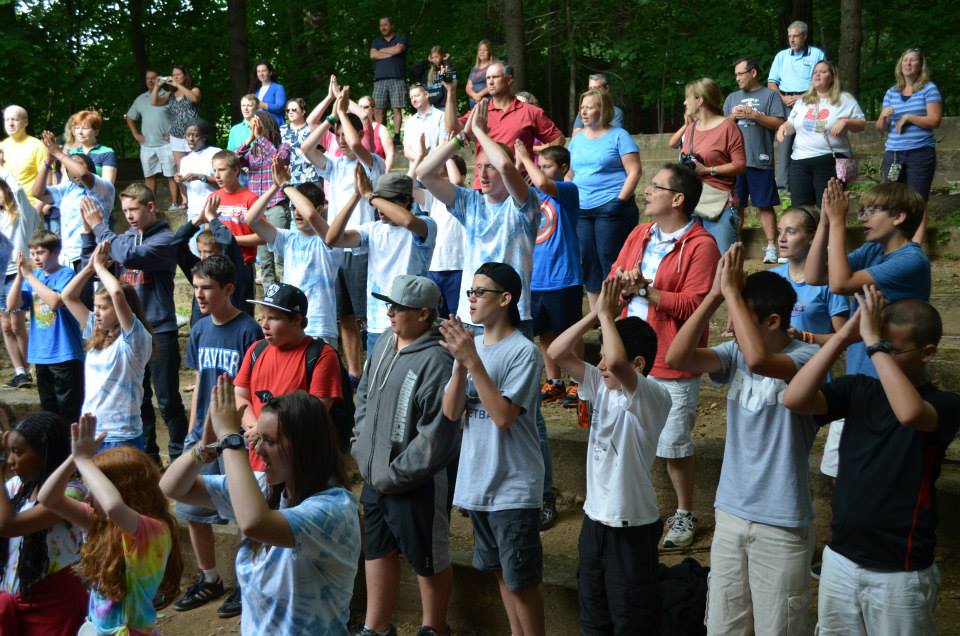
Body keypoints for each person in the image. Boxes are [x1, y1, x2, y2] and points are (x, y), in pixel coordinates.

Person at [784, 290, 959, 635]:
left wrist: (875, 344)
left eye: (893, 349)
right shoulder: (859, 390)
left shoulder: (946, 403)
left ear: (928, 354)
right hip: (841, 557)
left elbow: (909, 414)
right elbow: (796, 398)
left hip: (900, 570)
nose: (879, 353)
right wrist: (844, 338)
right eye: (878, 346)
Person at [417, 102, 558, 529]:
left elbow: (509, 170)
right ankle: (478, 488)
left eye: (489, 168)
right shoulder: (469, 203)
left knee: (522, 411)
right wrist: (460, 137)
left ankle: (542, 492)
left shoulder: (524, 205)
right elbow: (423, 174)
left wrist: (482, 134)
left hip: (515, 316)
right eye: (478, 168)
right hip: (470, 317)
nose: (483, 173)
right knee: (467, 404)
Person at [667, 246, 819, 635]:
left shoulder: (807, 358)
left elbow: (759, 363)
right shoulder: (733, 353)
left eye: (739, 315)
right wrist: (717, 295)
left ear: (772, 321)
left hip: (781, 522)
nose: (731, 324)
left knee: (778, 628)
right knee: (722, 627)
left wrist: (733, 293)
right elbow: (678, 356)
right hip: (732, 511)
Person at [161, 377, 360, 635]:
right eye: (257, 438)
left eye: (270, 441)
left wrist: (232, 439)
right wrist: (207, 447)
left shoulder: (334, 510)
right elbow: (173, 487)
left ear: (305, 447)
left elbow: (255, 523)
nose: (257, 449)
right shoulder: (264, 489)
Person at [547, 277, 670, 635]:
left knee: (630, 619)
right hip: (595, 521)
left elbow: (616, 360)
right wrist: (596, 315)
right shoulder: (599, 385)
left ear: (640, 364)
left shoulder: (653, 397)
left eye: (605, 356)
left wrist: (607, 317)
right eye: (598, 356)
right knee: (593, 613)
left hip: (630, 526)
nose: (600, 364)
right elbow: (556, 353)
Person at [608, 163, 720, 549]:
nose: (646, 192)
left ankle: (685, 512)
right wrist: (624, 288)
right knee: (627, 434)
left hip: (672, 358)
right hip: (629, 354)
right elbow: (615, 275)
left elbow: (694, 304)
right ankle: (630, 507)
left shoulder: (702, 245)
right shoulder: (640, 233)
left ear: (677, 198)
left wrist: (643, 291)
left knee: (673, 444)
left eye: (655, 187)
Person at [440, 262, 545, 636]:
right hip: (479, 483)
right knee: (503, 574)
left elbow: (502, 415)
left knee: (521, 581)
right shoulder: (473, 346)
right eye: (469, 292)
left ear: (505, 299)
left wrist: (472, 361)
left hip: (513, 486)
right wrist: (460, 364)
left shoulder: (523, 351)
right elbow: (452, 412)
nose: (471, 299)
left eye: (479, 292)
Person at [352, 275, 456, 636]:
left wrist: (399, 472)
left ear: (424, 314)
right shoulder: (383, 341)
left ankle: (432, 627)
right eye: (389, 304)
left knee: (428, 557)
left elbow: (437, 431)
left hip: (417, 481)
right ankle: (376, 627)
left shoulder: (439, 359)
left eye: (398, 307)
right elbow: (364, 396)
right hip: (374, 471)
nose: (390, 312)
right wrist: (360, 444)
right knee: (377, 548)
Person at [173, 256, 262, 618]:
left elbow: (253, 388)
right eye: (195, 288)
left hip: (236, 437)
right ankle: (209, 577)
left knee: (245, 514)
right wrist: (194, 431)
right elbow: (198, 385)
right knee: (192, 508)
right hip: (204, 436)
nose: (199, 295)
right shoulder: (198, 329)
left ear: (228, 288)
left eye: (206, 288)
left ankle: (246, 583)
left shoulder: (248, 330)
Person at [38, 415, 182, 635]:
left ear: (125, 491)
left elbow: (113, 506)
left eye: (93, 491)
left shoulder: (153, 530)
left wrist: (86, 461)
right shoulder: (101, 522)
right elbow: (48, 498)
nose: (87, 499)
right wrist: (75, 459)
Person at [82, 183, 188, 462]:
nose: (128, 215)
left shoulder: (166, 239)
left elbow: (129, 257)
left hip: (159, 328)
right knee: (139, 400)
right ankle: (148, 458)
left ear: (150, 207)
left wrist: (100, 228)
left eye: (134, 209)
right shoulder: (123, 239)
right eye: (125, 209)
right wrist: (88, 234)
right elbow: (95, 266)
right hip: (125, 334)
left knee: (166, 399)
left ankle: (179, 457)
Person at [301, 87, 386, 367]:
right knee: (345, 315)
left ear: (360, 134)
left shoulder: (373, 163)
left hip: (362, 245)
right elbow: (305, 148)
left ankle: (374, 367)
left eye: (345, 135)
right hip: (336, 245)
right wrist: (331, 118)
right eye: (337, 137)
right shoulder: (334, 165)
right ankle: (353, 371)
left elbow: (356, 142)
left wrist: (342, 111)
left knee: (367, 315)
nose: (343, 141)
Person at [326, 169, 436, 351]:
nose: (379, 207)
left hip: (412, 322)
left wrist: (370, 195)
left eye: (387, 201)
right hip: (377, 323)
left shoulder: (426, 224)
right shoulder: (373, 229)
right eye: (379, 200)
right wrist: (355, 196)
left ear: (406, 200)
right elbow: (332, 239)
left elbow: (408, 221)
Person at [0, 411, 88, 635]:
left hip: (55, 603)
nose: (10, 461)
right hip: (13, 596)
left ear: (44, 454)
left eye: (18, 452)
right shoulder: (15, 489)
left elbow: (9, 526)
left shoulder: (72, 493)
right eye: (7, 452)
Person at [62, 243, 153, 449]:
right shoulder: (97, 331)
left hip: (121, 435)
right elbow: (68, 296)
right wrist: (89, 268)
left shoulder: (135, 340)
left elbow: (117, 294)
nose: (97, 313)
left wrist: (102, 268)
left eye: (103, 308)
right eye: (95, 307)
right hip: (91, 434)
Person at [245, 158, 344, 348]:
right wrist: (275, 187)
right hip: (290, 326)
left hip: (320, 326)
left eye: (300, 208)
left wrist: (286, 185)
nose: (297, 213)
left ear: (320, 207)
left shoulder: (330, 239)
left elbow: (311, 215)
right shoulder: (287, 238)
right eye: (293, 208)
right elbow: (252, 219)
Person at [515, 143, 583, 408]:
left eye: (547, 166)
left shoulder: (567, 191)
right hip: (536, 277)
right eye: (539, 165)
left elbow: (543, 183)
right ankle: (554, 381)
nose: (540, 171)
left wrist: (525, 156)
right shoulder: (532, 194)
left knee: (571, 333)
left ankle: (579, 382)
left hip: (564, 277)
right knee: (545, 332)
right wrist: (520, 165)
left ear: (564, 168)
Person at [568, 88, 641, 310]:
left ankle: (619, 312)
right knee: (587, 260)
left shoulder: (619, 136)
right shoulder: (577, 139)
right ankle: (597, 313)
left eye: (590, 107)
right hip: (581, 208)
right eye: (582, 107)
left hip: (612, 208)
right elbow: (570, 173)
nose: (584, 111)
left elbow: (635, 172)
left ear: (604, 109)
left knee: (610, 259)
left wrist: (618, 202)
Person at [444, 61, 564, 188]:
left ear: (509, 80)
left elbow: (558, 139)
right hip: (484, 185)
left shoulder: (530, 111)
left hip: (517, 185)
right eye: (488, 78)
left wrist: (538, 169)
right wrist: (451, 91)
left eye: (495, 77)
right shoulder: (480, 111)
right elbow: (452, 128)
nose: (490, 82)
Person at [6, 232, 84, 422]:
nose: (35, 258)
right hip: (41, 354)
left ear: (56, 252)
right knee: (49, 411)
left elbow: (55, 301)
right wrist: (19, 277)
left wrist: (30, 276)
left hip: (65, 353)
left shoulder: (66, 274)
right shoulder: (34, 276)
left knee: (68, 412)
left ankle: (71, 449)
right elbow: (11, 305)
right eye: (32, 253)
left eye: (40, 253)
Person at [775, 61, 865, 207]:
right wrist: (783, 128)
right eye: (815, 72)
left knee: (827, 208)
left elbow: (861, 124)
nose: (817, 74)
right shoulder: (803, 101)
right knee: (801, 208)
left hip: (829, 160)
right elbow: (792, 124)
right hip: (800, 160)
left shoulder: (844, 99)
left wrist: (846, 122)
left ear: (832, 77)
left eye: (823, 72)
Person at [723, 58, 787, 263]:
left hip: (760, 159)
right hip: (734, 163)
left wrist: (755, 116)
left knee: (765, 205)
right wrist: (733, 118)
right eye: (735, 74)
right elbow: (722, 127)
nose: (737, 78)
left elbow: (779, 122)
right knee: (736, 206)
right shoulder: (732, 98)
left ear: (753, 73)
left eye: (741, 73)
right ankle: (736, 246)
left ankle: (771, 247)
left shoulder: (770, 96)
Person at [876, 48, 943, 243]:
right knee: (890, 198)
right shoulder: (891, 92)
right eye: (905, 60)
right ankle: (893, 242)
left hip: (919, 152)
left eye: (913, 61)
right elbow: (881, 127)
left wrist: (909, 117)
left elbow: (935, 120)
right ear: (900, 65)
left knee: (918, 200)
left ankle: (916, 247)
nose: (908, 64)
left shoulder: (928, 89)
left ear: (920, 66)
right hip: (894, 154)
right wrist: (884, 117)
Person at [673, 77, 746, 255]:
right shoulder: (691, 129)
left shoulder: (728, 127)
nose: (684, 102)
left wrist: (707, 170)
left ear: (700, 100)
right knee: (695, 263)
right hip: (692, 204)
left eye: (687, 97)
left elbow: (740, 165)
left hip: (720, 207)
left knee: (723, 262)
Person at [30, 132, 115, 270]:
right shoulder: (67, 189)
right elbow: (37, 193)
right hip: (68, 256)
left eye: (78, 164)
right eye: (69, 167)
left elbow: (82, 174)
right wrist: (48, 161)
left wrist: (58, 153)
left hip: (96, 254)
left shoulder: (102, 185)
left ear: (89, 167)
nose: (73, 169)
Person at [771, 207, 848, 346]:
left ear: (812, 237)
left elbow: (844, 338)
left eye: (791, 232)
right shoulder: (772, 277)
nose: (781, 239)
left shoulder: (830, 281)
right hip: (775, 364)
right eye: (779, 231)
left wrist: (805, 337)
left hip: (813, 364)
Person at [768, 21, 826, 191]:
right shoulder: (782, 56)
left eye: (795, 36)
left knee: (813, 138)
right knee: (785, 140)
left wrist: (801, 97)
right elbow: (772, 82)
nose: (791, 40)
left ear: (804, 36)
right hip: (785, 101)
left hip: (810, 100)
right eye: (789, 36)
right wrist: (783, 98)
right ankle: (783, 184)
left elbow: (823, 80)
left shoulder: (816, 54)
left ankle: (814, 182)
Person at [236, 111, 291, 288]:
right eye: (251, 126)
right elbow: (233, 161)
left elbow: (278, 160)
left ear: (266, 125)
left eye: (256, 125)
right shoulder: (252, 149)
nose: (253, 128)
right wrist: (250, 139)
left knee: (280, 257)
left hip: (275, 205)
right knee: (265, 261)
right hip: (256, 209)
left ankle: (286, 300)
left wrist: (260, 138)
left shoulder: (283, 146)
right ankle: (270, 302)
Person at [209, 149, 264, 306]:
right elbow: (208, 234)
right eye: (214, 171)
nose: (217, 175)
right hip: (217, 266)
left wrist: (231, 240)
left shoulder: (251, 198)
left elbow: (262, 237)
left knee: (242, 312)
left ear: (235, 170)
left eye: (222, 170)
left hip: (242, 265)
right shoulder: (213, 198)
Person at [0, 175, 39, 389]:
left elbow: (20, 191)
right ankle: (20, 371)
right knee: (5, 326)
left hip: (17, 274)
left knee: (16, 324)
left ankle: (30, 368)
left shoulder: (23, 213)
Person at [125, 69, 179, 206]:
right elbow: (130, 117)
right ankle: (150, 206)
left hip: (167, 144)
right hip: (147, 145)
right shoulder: (140, 99)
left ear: (159, 79)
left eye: (153, 78)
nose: (150, 81)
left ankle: (174, 204)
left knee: (171, 175)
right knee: (149, 177)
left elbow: (179, 116)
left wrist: (174, 133)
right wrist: (135, 134)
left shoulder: (168, 95)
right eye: (147, 78)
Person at [151, 65, 202, 205]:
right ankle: (185, 198)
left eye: (178, 74)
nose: (175, 77)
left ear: (185, 76)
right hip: (176, 135)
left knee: (195, 165)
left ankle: (197, 196)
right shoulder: (170, 95)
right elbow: (154, 102)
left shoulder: (193, 90)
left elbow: (194, 99)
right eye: (173, 75)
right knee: (180, 168)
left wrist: (179, 86)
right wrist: (157, 86)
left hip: (193, 135)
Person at [370, 16, 410, 142]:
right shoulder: (376, 41)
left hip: (397, 78)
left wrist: (381, 52)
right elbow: (372, 54)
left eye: (385, 24)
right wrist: (391, 52)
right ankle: (380, 135)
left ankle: (397, 136)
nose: (383, 27)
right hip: (379, 80)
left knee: (396, 108)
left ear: (392, 25)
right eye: (381, 25)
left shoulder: (401, 38)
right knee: (377, 109)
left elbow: (399, 49)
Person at [176, 118, 220, 230]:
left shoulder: (215, 153)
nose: (191, 139)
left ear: (204, 137)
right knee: (194, 246)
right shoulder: (185, 160)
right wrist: (179, 182)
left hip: (215, 210)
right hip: (194, 211)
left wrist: (201, 177)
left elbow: (225, 183)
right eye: (188, 135)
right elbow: (185, 191)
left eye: (195, 135)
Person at [0, 106, 45, 207]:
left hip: (30, 206)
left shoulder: (37, 146)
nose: (10, 124)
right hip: (6, 209)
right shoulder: (1, 147)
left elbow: (48, 180)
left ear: (26, 122)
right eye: (7, 120)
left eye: (15, 119)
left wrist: (38, 209)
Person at [65, 110, 117, 184]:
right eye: (77, 128)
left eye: (85, 128)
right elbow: (65, 181)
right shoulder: (72, 153)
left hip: (97, 194)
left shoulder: (107, 152)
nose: (80, 132)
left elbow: (108, 185)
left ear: (96, 132)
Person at [280, 98, 321, 187]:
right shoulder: (282, 130)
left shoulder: (311, 129)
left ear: (303, 112)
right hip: (291, 179)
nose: (290, 112)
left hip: (312, 176)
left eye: (294, 110)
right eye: (288, 110)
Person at [403, 84, 446, 162]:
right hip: (415, 170)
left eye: (416, 96)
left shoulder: (441, 116)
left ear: (426, 95)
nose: (413, 100)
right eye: (411, 97)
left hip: (436, 168)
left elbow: (443, 145)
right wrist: (421, 159)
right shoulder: (409, 122)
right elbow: (407, 151)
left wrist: (427, 161)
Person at [250, 60, 287, 127]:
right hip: (259, 127)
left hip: (275, 126)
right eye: (258, 71)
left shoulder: (278, 88)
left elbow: (280, 107)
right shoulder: (256, 91)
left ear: (270, 72)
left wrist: (263, 105)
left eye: (264, 71)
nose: (261, 74)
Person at [466, 40, 498, 109]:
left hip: (488, 102)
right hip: (473, 104)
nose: (482, 52)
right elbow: (468, 87)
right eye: (480, 50)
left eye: (485, 50)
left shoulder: (493, 66)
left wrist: (480, 95)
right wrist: (474, 95)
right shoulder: (474, 69)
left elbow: (494, 83)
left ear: (489, 52)